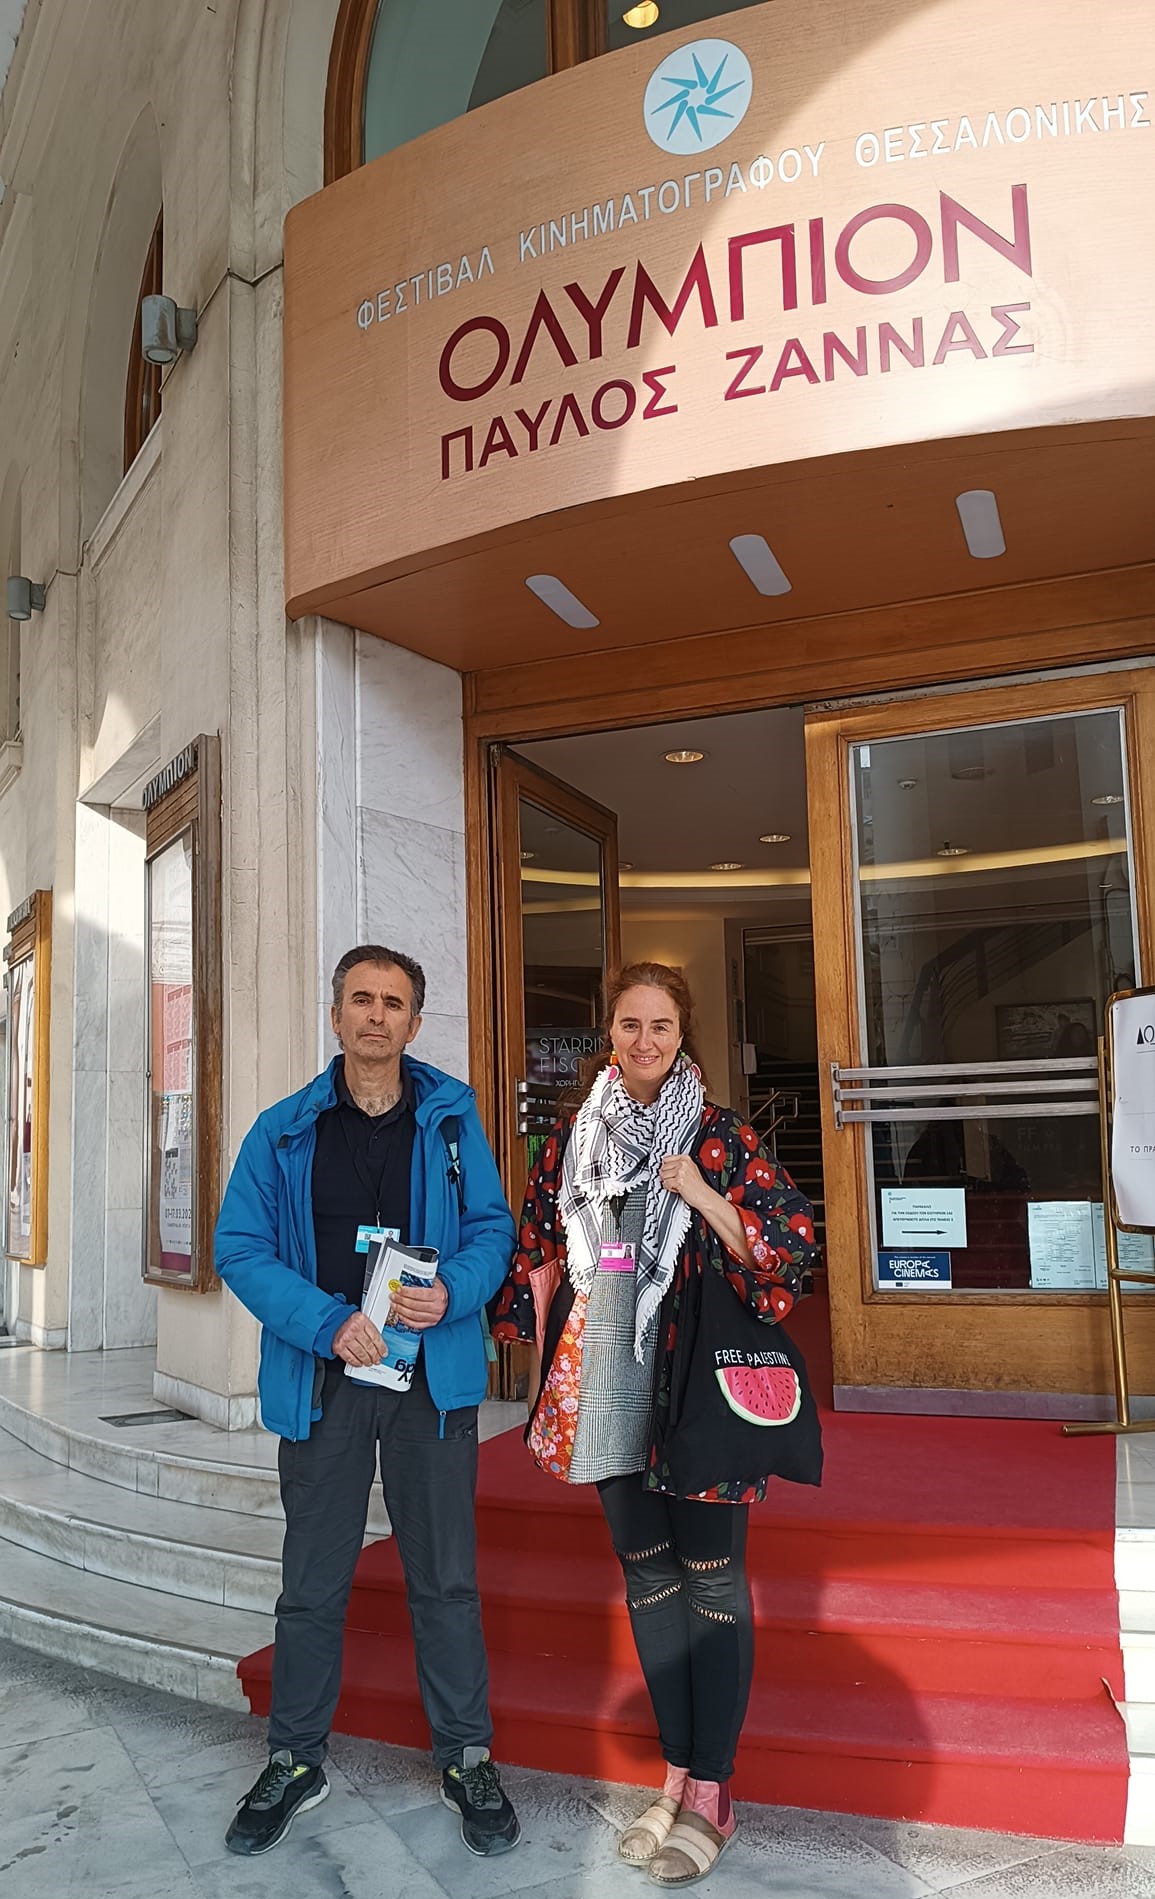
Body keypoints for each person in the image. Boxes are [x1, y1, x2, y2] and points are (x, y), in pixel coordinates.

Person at [493, 961, 819, 1888]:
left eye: (661, 1026)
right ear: (609, 1032)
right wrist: (535, 1359)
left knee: (711, 1578)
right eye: (630, 1024)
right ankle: (675, 1773)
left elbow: (791, 1247)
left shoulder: (718, 1135)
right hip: (607, 1380)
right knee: (646, 1575)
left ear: (683, 1037)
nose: (644, 1041)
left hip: (694, 1382)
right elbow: (535, 1247)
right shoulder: (575, 1137)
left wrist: (701, 1193)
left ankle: (714, 1787)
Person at [215, 945, 521, 1860]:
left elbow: (492, 1229)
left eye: (393, 1002)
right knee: (312, 1582)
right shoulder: (281, 1130)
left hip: (429, 1381)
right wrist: (327, 1322)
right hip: (325, 1381)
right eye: (361, 998)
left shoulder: (453, 1119)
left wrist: (452, 1290)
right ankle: (294, 1757)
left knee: (446, 1579)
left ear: (414, 1022)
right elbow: (239, 1246)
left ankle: (465, 1756)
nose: (376, 1015)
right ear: (337, 1014)